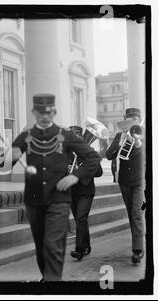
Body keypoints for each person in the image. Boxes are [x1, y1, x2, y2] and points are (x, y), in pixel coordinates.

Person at [9, 94, 101, 281]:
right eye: (40, 112)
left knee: (54, 245)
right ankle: (48, 278)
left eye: (49, 112)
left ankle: (52, 284)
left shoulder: (65, 135)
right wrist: (8, 156)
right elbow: (1, 165)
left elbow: (93, 158)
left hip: (59, 199)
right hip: (34, 200)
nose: (44, 116)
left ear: (54, 112)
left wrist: (75, 176)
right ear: (34, 112)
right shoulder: (25, 136)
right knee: (42, 246)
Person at [106, 107, 145, 263]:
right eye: (129, 119)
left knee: (136, 213)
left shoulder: (145, 133)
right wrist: (120, 141)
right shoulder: (119, 135)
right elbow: (109, 155)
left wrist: (138, 142)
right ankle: (138, 240)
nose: (132, 121)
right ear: (125, 119)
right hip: (125, 180)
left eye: (134, 119)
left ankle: (138, 249)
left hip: (139, 180)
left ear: (139, 119)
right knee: (132, 214)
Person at [68, 125, 103, 261]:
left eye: (77, 135)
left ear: (81, 136)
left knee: (81, 218)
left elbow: (99, 172)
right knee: (80, 220)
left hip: (86, 191)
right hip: (71, 191)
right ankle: (87, 246)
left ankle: (80, 250)